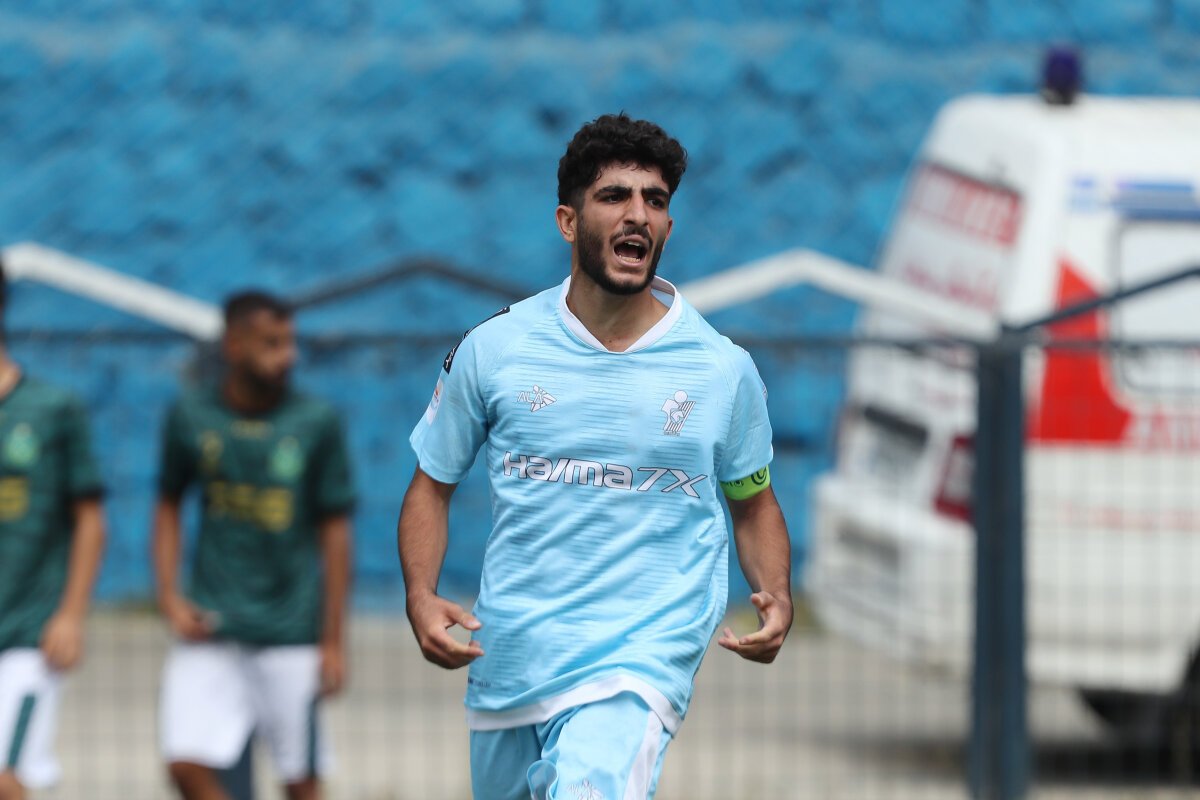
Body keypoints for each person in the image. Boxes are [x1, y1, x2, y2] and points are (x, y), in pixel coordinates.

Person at [397, 113, 793, 799]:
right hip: (511, 662)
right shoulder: (495, 349)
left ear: (667, 226)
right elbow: (432, 482)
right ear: (568, 221)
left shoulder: (722, 370)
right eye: (615, 196)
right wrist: (420, 595)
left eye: (655, 200)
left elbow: (752, 502)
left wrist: (777, 594)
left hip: (639, 662)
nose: (638, 214)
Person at [153, 291, 354, 800]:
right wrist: (170, 597)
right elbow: (168, 505)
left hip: (290, 630)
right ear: (234, 346)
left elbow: (335, 533)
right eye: (272, 344)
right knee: (184, 764)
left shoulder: (315, 421)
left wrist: (332, 640)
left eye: (290, 342)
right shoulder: (191, 415)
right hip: (212, 626)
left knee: (301, 782)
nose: (288, 356)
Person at [0, 260, 106, 800]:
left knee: (6, 782)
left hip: (26, 633)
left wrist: (70, 614)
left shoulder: (51, 409)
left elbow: (89, 518)